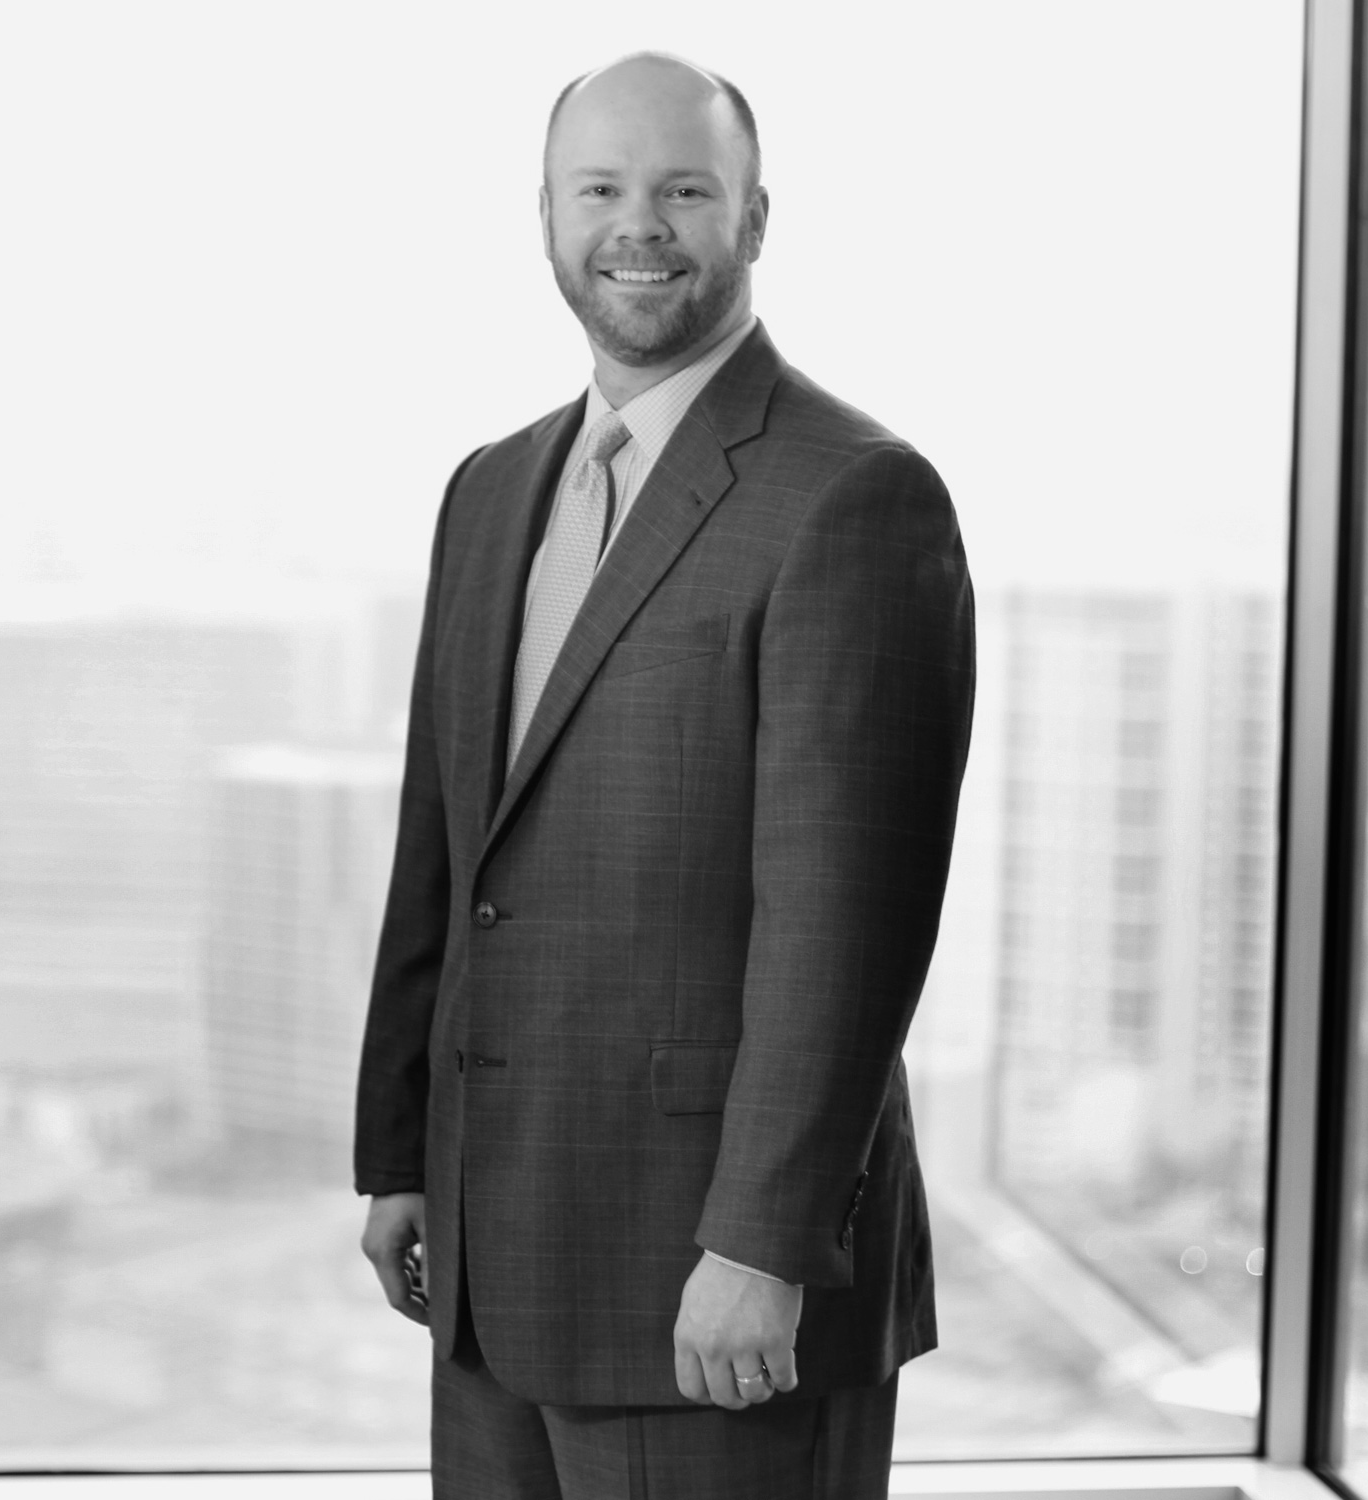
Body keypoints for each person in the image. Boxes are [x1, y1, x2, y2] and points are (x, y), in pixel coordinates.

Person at [351, 51, 975, 1499]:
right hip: (490, 1256)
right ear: (547, 218)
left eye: (685, 190)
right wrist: (399, 1151)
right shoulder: (490, 489)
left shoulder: (853, 492)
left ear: (755, 218)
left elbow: (849, 919)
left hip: (721, 1280)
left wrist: (763, 1241)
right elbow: (446, 847)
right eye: (601, 189)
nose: (638, 224)